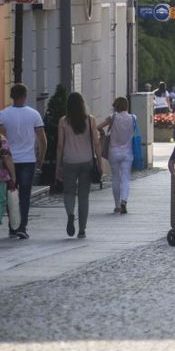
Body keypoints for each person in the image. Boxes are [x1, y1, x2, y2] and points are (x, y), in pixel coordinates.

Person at [0, 83, 47, 239]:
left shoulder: (3, 115)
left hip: (10, 160)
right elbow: (42, 140)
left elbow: (2, 139)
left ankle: (13, 226)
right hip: (28, 159)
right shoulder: (34, 115)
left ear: (11, 96)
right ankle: (22, 227)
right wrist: (41, 158)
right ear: (25, 96)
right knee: (25, 195)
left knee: (11, 193)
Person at [56, 92, 98, 239]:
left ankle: (70, 215)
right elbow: (96, 143)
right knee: (83, 196)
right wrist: (99, 162)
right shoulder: (90, 120)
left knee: (68, 192)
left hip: (69, 161)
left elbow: (60, 145)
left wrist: (58, 166)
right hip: (86, 161)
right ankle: (82, 230)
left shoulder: (63, 121)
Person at [97, 97, 137, 214]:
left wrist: (102, 133)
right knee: (125, 178)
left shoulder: (112, 117)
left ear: (116, 106)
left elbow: (98, 127)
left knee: (115, 178)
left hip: (113, 151)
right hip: (127, 152)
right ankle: (124, 200)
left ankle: (117, 205)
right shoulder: (133, 118)